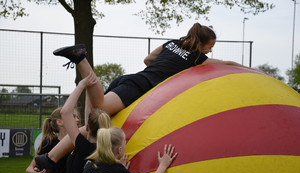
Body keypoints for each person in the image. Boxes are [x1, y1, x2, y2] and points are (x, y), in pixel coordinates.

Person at [53, 22, 251, 116]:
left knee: (93, 123)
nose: (210, 51)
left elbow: (148, 59)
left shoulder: (172, 43)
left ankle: (49, 158)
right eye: (209, 47)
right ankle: (81, 59)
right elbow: (227, 64)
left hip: (131, 79)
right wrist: (251, 71)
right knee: (99, 107)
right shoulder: (198, 58)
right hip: (139, 87)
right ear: (201, 44)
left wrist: (165, 70)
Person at [81, 127, 177, 173]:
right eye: (125, 144)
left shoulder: (89, 166)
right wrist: (163, 165)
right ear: (120, 150)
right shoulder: (116, 170)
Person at [60, 71, 111, 173]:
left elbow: (65, 112)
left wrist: (81, 85)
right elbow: (89, 112)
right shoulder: (102, 150)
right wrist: (89, 89)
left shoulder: (84, 147)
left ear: (86, 127)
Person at [26, 107, 79, 173]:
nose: (78, 120)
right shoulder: (48, 143)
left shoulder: (80, 142)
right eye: (73, 117)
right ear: (60, 122)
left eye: (77, 117)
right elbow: (29, 169)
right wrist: (36, 172)